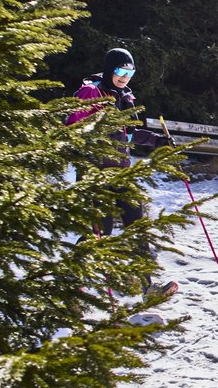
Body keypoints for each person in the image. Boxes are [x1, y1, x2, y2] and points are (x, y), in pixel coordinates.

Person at [66, 46, 177, 298]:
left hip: (121, 172)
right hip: (96, 172)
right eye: (120, 71)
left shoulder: (124, 96)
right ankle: (73, 282)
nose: (124, 77)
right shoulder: (91, 92)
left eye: (130, 72)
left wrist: (157, 141)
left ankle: (148, 287)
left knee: (137, 227)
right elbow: (72, 124)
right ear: (109, 70)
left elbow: (129, 133)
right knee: (100, 231)